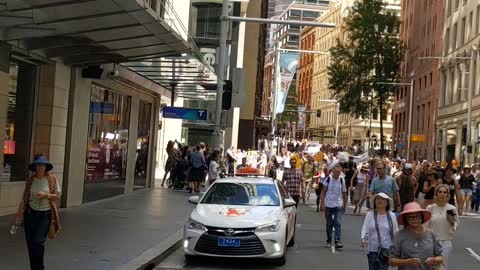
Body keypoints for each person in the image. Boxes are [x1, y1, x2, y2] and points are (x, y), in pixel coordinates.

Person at [14, 155, 62, 270]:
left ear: (46, 167)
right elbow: (25, 198)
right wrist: (19, 214)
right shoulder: (31, 180)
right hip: (30, 214)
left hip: (45, 215)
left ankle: (39, 267)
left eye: (43, 165)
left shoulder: (52, 179)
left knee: (38, 242)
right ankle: (34, 267)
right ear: (35, 167)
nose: (40, 167)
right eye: (38, 165)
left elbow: (57, 196)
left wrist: (46, 195)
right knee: (30, 244)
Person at [389, 202, 443, 270]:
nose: (414, 219)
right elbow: (391, 261)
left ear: (422, 217)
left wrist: (434, 260)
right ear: (406, 219)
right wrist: (406, 262)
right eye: (411, 217)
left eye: (417, 216)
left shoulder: (431, 234)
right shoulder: (399, 235)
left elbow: (440, 257)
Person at [361, 193, 399, 270]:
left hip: (386, 251)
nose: (379, 201)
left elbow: (396, 232)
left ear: (387, 202)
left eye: (383, 199)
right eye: (377, 199)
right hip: (372, 249)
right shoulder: (369, 214)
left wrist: (396, 250)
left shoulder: (392, 216)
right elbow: (365, 228)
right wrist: (363, 238)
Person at [426, 185, 460, 270]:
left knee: (441, 267)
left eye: (445, 192)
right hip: (431, 242)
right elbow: (425, 226)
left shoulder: (451, 208)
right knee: (429, 266)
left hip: (445, 242)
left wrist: (452, 222)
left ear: (448, 195)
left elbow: (456, 225)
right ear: (436, 194)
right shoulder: (430, 208)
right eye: (440, 192)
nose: (442, 194)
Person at [320, 164, 347, 249]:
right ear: (332, 172)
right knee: (329, 224)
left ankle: (337, 241)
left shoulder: (342, 180)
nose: (337, 174)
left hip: (337, 205)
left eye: (339, 172)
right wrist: (322, 203)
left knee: (337, 223)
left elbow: (344, 193)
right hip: (328, 205)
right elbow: (323, 191)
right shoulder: (328, 179)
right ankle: (328, 241)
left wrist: (344, 205)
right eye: (335, 172)